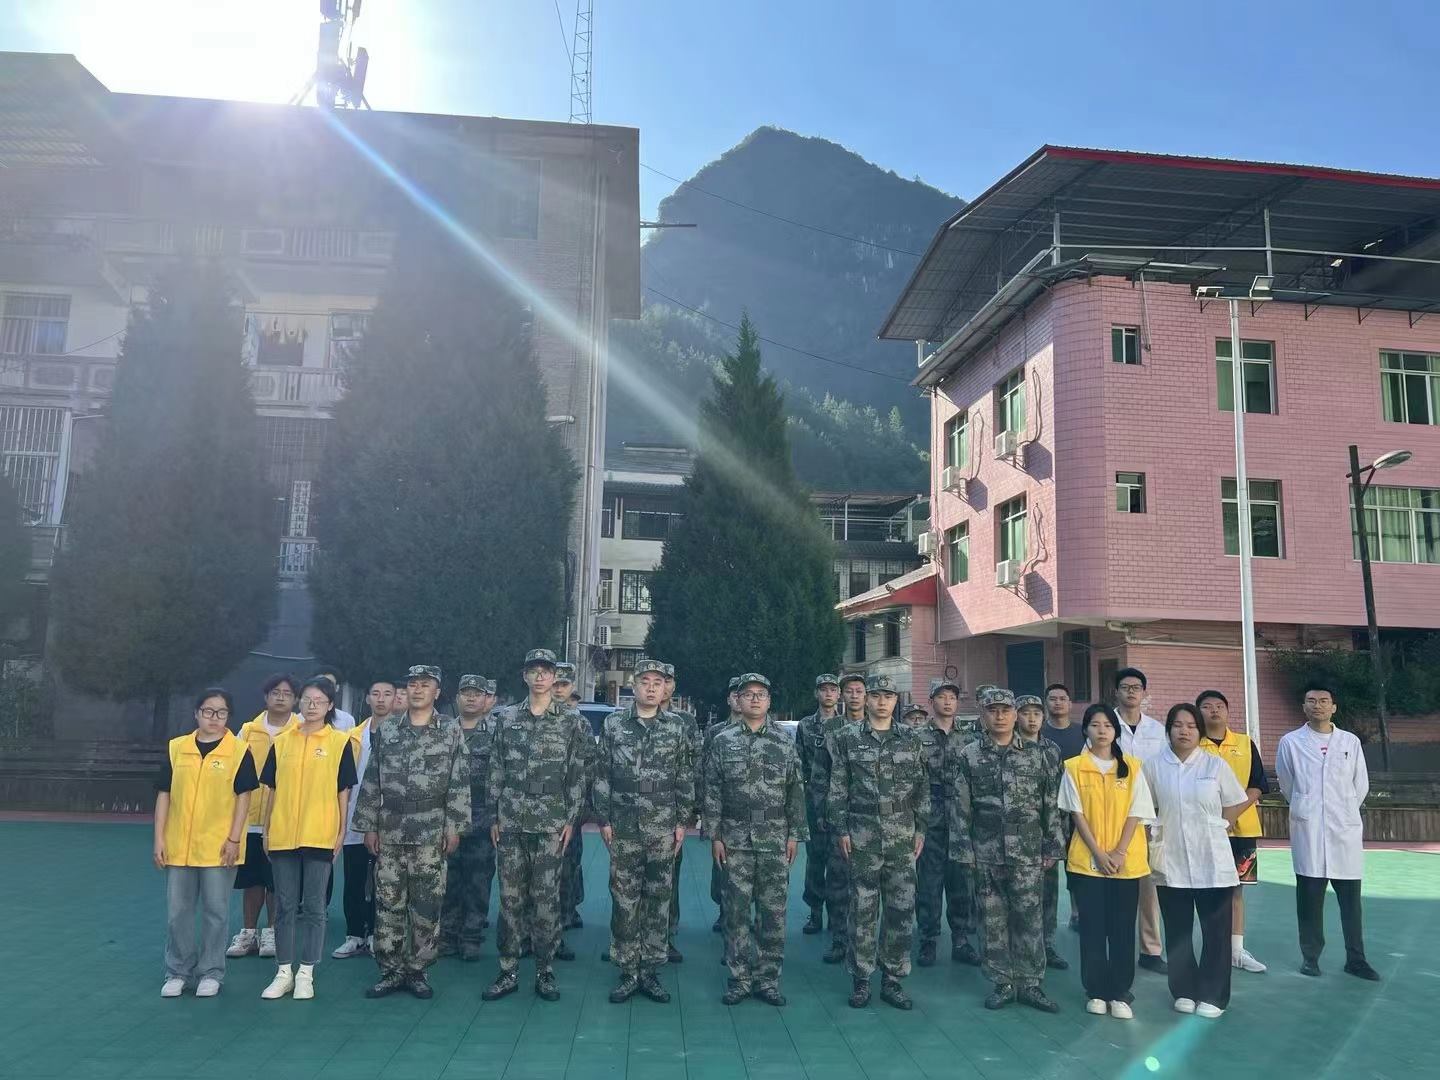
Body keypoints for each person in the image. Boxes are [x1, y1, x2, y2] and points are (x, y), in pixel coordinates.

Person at [353, 665, 470, 999]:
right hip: (390, 829)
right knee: (388, 903)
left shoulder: (450, 730)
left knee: (427, 905)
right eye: (413, 684)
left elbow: (459, 779)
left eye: (425, 685)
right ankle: (390, 970)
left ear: (437, 692)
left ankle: (418, 970)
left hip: (431, 831)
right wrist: (368, 825)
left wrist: (454, 827)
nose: (417, 690)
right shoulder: (389, 728)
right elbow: (372, 778)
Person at [483, 649, 591, 1003]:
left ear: (555, 677)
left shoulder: (571, 721)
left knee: (546, 900)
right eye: (534, 671)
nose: (541, 676)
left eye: (547, 671)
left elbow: (577, 773)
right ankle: (508, 969)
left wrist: (570, 819)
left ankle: (545, 970)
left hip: (550, 821)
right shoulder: (506, 718)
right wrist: (494, 816)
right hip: (512, 819)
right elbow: (496, 768)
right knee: (510, 899)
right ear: (525, 676)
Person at [950, 688, 1064, 1013]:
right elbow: (960, 806)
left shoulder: (1037, 754)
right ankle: (1002, 982)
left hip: (1027, 851)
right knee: (992, 919)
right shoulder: (969, 755)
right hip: (986, 851)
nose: (999, 716)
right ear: (983, 716)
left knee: (1029, 917)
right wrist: (964, 851)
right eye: (992, 710)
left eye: (1005, 710)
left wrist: (1052, 845)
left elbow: (1050, 804)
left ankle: (1030, 983)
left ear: (1015, 715)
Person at [703, 673, 807, 1006]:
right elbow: (712, 790)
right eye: (748, 694)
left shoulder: (783, 741)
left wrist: (795, 834)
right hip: (734, 837)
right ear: (739, 700)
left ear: (769, 701)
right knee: (735, 911)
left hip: (775, 837)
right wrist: (714, 834)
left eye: (761, 694)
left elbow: (795, 789)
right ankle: (740, 979)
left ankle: (768, 979)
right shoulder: (723, 740)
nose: (755, 699)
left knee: (773, 912)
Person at [594, 659, 694, 1003]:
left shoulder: (676, 727)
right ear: (633, 686)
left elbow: (684, 776)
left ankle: (650, 971)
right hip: (623, 826)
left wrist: (682, 823)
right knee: (624, 899)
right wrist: (604, 820)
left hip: (662, 826)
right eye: (645, 681)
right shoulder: (614, 724)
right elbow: (602, 774)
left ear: (665, 688)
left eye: (657, 682)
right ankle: (627, 970)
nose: (651, 688)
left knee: (658, 899)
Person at [1143, 703, 1250, 1018]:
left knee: (1215, 931)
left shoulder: (1215, 765)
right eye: (1178, 725)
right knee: (1177, 929)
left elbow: (1235, 801)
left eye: (1191, 726)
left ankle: (1214, 996)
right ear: (1168, 730)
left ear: (1200, 732)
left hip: (1211, 858)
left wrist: (1222, 824)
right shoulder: (1153, 766)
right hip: (1170, 858)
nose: (1184, 731)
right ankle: (1184, 990)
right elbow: (1146, 808)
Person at [829, 674, 927, 1010]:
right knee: (862, 908)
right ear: (866, 699)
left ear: (896, 701)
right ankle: (861, 978)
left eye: (888, 695)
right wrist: (841, 829)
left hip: (901, 834)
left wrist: (921, 829)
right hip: (862, 833)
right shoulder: (847, 738)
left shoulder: (911, 738)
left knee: (901, 907)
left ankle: (893, 979)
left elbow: (921, 787)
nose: (882, 701)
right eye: (876, 695)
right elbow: (838, 786)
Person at [258, 677, 358, 1000]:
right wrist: (267, 830)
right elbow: (272, 791)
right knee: (285, 906)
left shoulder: (340, 743)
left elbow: (343, 793)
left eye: (319, 700)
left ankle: (306, 973)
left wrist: (340, 833)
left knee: (315, 906)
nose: (312, 705)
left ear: (330, 706)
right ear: (300, 703)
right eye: (307, 699)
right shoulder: (282, 742)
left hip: (319, 834)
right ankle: (283, 972)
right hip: (283, 833)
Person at [155, 689, 259, 998]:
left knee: (216, 911)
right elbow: (164, 794)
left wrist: (234, 838)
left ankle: (211, 972)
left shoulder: (239, 750)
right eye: (208, 711)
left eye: (221, 712)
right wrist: (159, 838)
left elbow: (244, 798)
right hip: (179, 846)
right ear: (197, 713)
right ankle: (177, 971)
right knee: (178, 913)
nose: (214, 718)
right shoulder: (177, 748)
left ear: (229, 716)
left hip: (218, 847)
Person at [1275, 684, 1378, 981]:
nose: (1317, 705)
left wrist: (1342, 810)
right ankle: (1311, 958)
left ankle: (1356, 959)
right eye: (1311, 700)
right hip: (1309, 830)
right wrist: (1307, 806)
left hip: (1343, 830)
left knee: (1351, 903)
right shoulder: (1290, 742)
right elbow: (1287, 783)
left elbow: (1360, 784)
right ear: (1303, 707)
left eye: (1323, 700)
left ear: (1334, 707)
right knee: (1309, 900)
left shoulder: (1350, 742)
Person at [1060, 705, 1155, 1019]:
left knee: (1122, 928)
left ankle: (1120, 992)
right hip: (1088, 861)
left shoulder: (1133, 768)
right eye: (1095, 725)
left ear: (1116, 731)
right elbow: (1077, 814)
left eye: (1108, 725)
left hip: (1125, 862)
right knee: (1092, 928)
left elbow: (1137, 812)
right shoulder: (1074, 767)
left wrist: (1119, 852)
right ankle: (1096, 991)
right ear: (1085, 730)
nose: (1102, 730)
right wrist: (1099, 854)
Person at [1196, 689, 1269, 974]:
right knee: (1208, 890)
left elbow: (1257, 785)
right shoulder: (1194, 745)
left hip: (1241, 829)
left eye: (1219, 706)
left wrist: (1231, 814)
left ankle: (1236, 951)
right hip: (1205, 829)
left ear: (1227, 711)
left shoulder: (1245, 743)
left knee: (1237, 889)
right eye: (1206, 706)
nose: (1214, 710)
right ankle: (1212, 950)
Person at [227, 674, 300, 960]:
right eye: (275, 692)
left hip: (282, 819)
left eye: (287, 693)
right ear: (266, 697)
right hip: (249, 820)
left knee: (276, 881)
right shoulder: (247, 731)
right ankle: (248, 932)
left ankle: (272, 931)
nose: (281, 697)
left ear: (295, 699)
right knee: (251, 880)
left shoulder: (300, 730)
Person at [915, 676, 978, 968]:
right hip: (930, 820)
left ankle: (961, 940)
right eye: (941, 696)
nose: (948, 701)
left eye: (952, 697)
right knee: (929, 884)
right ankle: (928, 940)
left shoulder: (970, 738)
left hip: (962, 821)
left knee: (961, 884)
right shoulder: (916, 737)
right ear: (931, 702)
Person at [334, 677, 398, 960]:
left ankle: (375, 934)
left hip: (389, 820)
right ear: (368, 698)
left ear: (395, 698)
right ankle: (354, 934)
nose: (381, 699)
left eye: (387, 694)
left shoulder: (402, 734)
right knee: (354, 878)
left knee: (382, 881)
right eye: (376, 693)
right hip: (354, 818)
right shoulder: (352, 737)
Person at [810, 672, 867, 965]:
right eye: (850, 691)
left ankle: (864, 940)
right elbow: (820, 774)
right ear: (842, 696)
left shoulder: (877, 726)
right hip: (839, 814)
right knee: (838, 878)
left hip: (871, 817)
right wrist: (821, 811)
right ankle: (839, 938)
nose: (854, 695)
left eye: (859, 691)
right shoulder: (830, 728)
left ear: (866, 695)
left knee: (869, 883)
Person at [1113, 667, 1168, 974]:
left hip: (1147, 818)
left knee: (1149, 886)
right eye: (1125, 687)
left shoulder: (1158, 731)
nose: (1131, 691)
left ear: (1144, 692)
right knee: (1115, 884)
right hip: (1112, 817)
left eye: (1136, 687)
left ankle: (1150, 950)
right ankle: (1115, 947)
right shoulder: (1104, 725)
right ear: (1116, 692)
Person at [440, 675, 498, 961]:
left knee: (478, 881)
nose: (472, 698)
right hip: (447, 817)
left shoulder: (497, 732)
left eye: (478, 693)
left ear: (486, 699)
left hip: (482, 818)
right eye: (466, 693)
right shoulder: (443, 730)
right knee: (448, 880)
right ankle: (447, 935)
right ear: (457, 697)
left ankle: (471, 936)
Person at [1016, 694, 1070, 971]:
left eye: (1037, 713)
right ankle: (1020, 948)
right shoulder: (1008, 748)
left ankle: (1047, 944)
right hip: (1016, 836)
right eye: (1026, 713)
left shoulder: (1052, 749)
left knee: (1048, 894)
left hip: (1046, 833)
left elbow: (1059, 796)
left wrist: (1057, 838)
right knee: (1018, 896)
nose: (1032, 719)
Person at [795, 674, 842, 936]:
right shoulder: (805, 725)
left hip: (841, 800)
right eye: (823, 690)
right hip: (814, 801)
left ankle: (837, 914)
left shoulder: (846, 724)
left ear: (838, 694)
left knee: (839, 861)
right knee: (815, 859)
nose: (828, 694)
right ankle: (814, 912)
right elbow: (799, 761)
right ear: (817, 694)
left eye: (833, 690)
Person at [661, 662, 700, 963]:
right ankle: (626, 938)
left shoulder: (685, 721)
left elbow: (692, 766)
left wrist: (690, 811)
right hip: (631, 814)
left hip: (670, 813)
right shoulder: (623, 720)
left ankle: (666, 934)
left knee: (669, 878)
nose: (662, 686)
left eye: (667, 681)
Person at [699, 677, 743, 937]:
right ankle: (724, 911)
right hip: (723, 810)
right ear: (728, 699)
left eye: (742, 694)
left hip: (750, 812)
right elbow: (706, 771)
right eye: (734, 695)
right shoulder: (715, 732)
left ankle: (742, 914)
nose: (738, 699)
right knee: (722, 865)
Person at [1044, 683, 1087, 933]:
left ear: (1070, 704)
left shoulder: (1082, 733)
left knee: (1076, 863)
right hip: (1047, 808)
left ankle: (1077, 912)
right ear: (1046, 703)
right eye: (1053, 698)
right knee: (1046, 865)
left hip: (1076, 809)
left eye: (1062, 698)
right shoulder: (1039, 731)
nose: (1058, 702)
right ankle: (1043, 919)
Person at [554, 661, 586, 949]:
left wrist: (579, 811)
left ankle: (561, 926)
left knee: (567, 871)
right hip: (532, 812)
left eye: (563, 685)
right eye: (555, 684)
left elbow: (589, 768)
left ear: (572, 688)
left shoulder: (580, 724)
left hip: (568, 812)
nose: (558, 690)